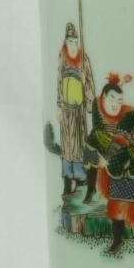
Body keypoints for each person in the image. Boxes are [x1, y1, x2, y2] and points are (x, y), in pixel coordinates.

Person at [85, 74, 134, 254]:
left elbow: (121, 141)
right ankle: (90, 189)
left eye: (119, 100)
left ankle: (118, 240)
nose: (115, 104)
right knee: (91, 145)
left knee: (119, 198)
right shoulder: (98, 113)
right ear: (103, 98)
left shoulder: (129, 116)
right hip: (104, 155)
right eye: (111, 99)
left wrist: (109, 158)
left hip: (121, 162)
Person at [57, 23, 95, 197]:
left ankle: (79, 177)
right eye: (70, 41)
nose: (72, 44)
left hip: (78, 110)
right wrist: (59, 105)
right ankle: (67, 178)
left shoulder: (83, 59)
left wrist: (89, 99)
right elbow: (59, 81)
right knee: (67, 145)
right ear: (66, 41)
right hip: (66, 110)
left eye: (75, 41)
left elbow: (89, 82)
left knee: (79, 143)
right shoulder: (62, 57)